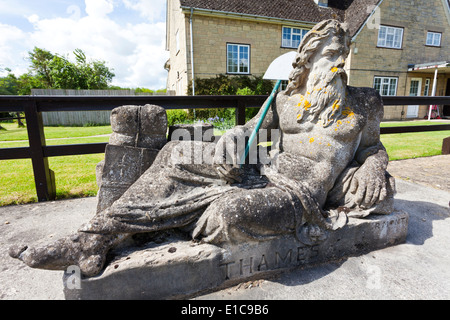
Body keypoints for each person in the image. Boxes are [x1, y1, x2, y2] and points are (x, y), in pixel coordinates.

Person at [10, 20, 395, 277]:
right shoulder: (285, 99)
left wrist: (374, 166)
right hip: (263, 169)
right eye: (331, 54)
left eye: (343, 55)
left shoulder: (364, 103)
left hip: (299, 193)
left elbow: (374, 149)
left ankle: (147, 225)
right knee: (178, 153)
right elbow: (249, 128)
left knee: (227, 213)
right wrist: (234, 137)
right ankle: (91, 239)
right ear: (308, 58)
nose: (339, 63)